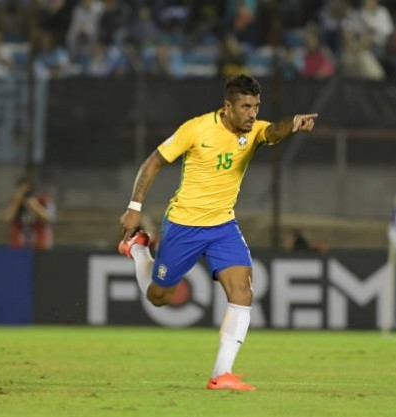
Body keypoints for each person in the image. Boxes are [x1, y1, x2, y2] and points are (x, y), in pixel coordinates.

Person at [118, 74, 318, 391]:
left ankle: (221, 374)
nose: (252, 114)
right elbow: (153, 163)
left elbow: (273, 132)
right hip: (184, 225)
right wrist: (134, 207)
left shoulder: (253, 132)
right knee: (159, 297)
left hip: (223, 226)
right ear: (228, 107)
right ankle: (140, 250)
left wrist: (292, 123)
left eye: (256, 106)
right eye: (245, 106)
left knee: (243, 291)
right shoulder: (196, 129)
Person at [5, 176, 56, 250]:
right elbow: (8, 219)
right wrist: (17, 202)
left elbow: (48, 219)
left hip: (40, 246)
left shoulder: (43, 201)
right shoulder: (14, 202)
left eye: (27, 188)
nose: (25, 191)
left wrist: (33, 205)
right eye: (21, 189)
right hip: (19, 246)